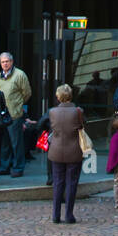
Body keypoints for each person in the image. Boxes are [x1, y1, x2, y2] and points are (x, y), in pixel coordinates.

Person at [46, 84, 86, 224]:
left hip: (56, 150)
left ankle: (56, 214)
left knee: (58, 183)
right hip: (74, 149)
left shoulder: (52, 112)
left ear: (58, 96)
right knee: (71, 183)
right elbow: (82, 126)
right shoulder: (78, 111)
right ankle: (69, 214)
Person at [0, 52, 32, 176]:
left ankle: (18, 167)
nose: (5, 64)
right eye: (3, 62)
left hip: (15, 114)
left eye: (7, 61)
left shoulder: (20, 75)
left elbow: (27, 93)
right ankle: (4, 166)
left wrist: (18, 104)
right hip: (3, 115)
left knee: (16, 143)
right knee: (4, 143)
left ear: (11, 62)